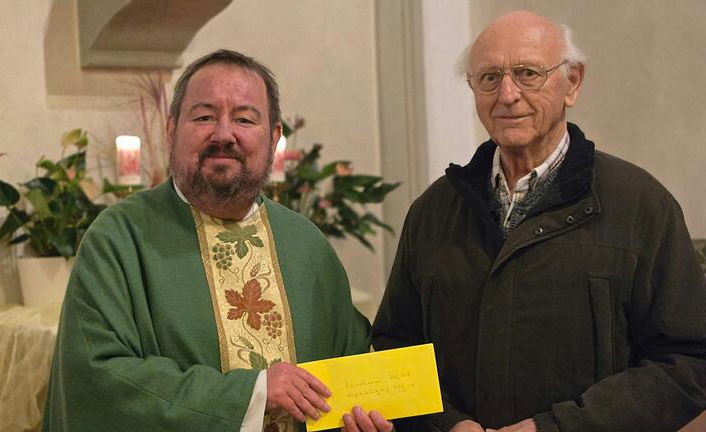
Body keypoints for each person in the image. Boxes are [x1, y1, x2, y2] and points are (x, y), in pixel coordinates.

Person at [372, 11, 706, 432]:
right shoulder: (434, 210)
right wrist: (450, 425)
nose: (507, 94)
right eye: (489, 78)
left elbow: (688, 361)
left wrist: (555, 427)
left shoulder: (640, 205)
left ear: (573, 82)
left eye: (528, 73)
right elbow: (394, 349)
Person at [43, 49, 392, 432]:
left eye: (244, 118)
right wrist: (251, 393)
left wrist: (361, 417)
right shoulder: (119, 238)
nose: (224, 134)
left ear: (274, 137)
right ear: (172, 129)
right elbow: (98, 379)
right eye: (204, 116)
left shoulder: (305, 243)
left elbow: (351, 363)